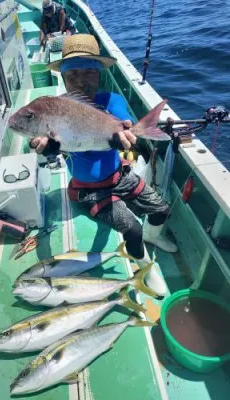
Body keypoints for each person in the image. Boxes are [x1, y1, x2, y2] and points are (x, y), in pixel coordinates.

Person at [30, 34, 178, 297]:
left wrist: (128, 136)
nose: (82, 80)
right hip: (88, 190)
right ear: (62, 77)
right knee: (132, 228)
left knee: (162, 210)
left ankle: (152, 236)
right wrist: (50, 150)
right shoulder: (56, 109)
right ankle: (143, 267)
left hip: (119, 176)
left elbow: (124, 126)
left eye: (89, 71)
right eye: (73, 73)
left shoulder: (113, 101)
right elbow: (45, 145)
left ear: (100, 74)